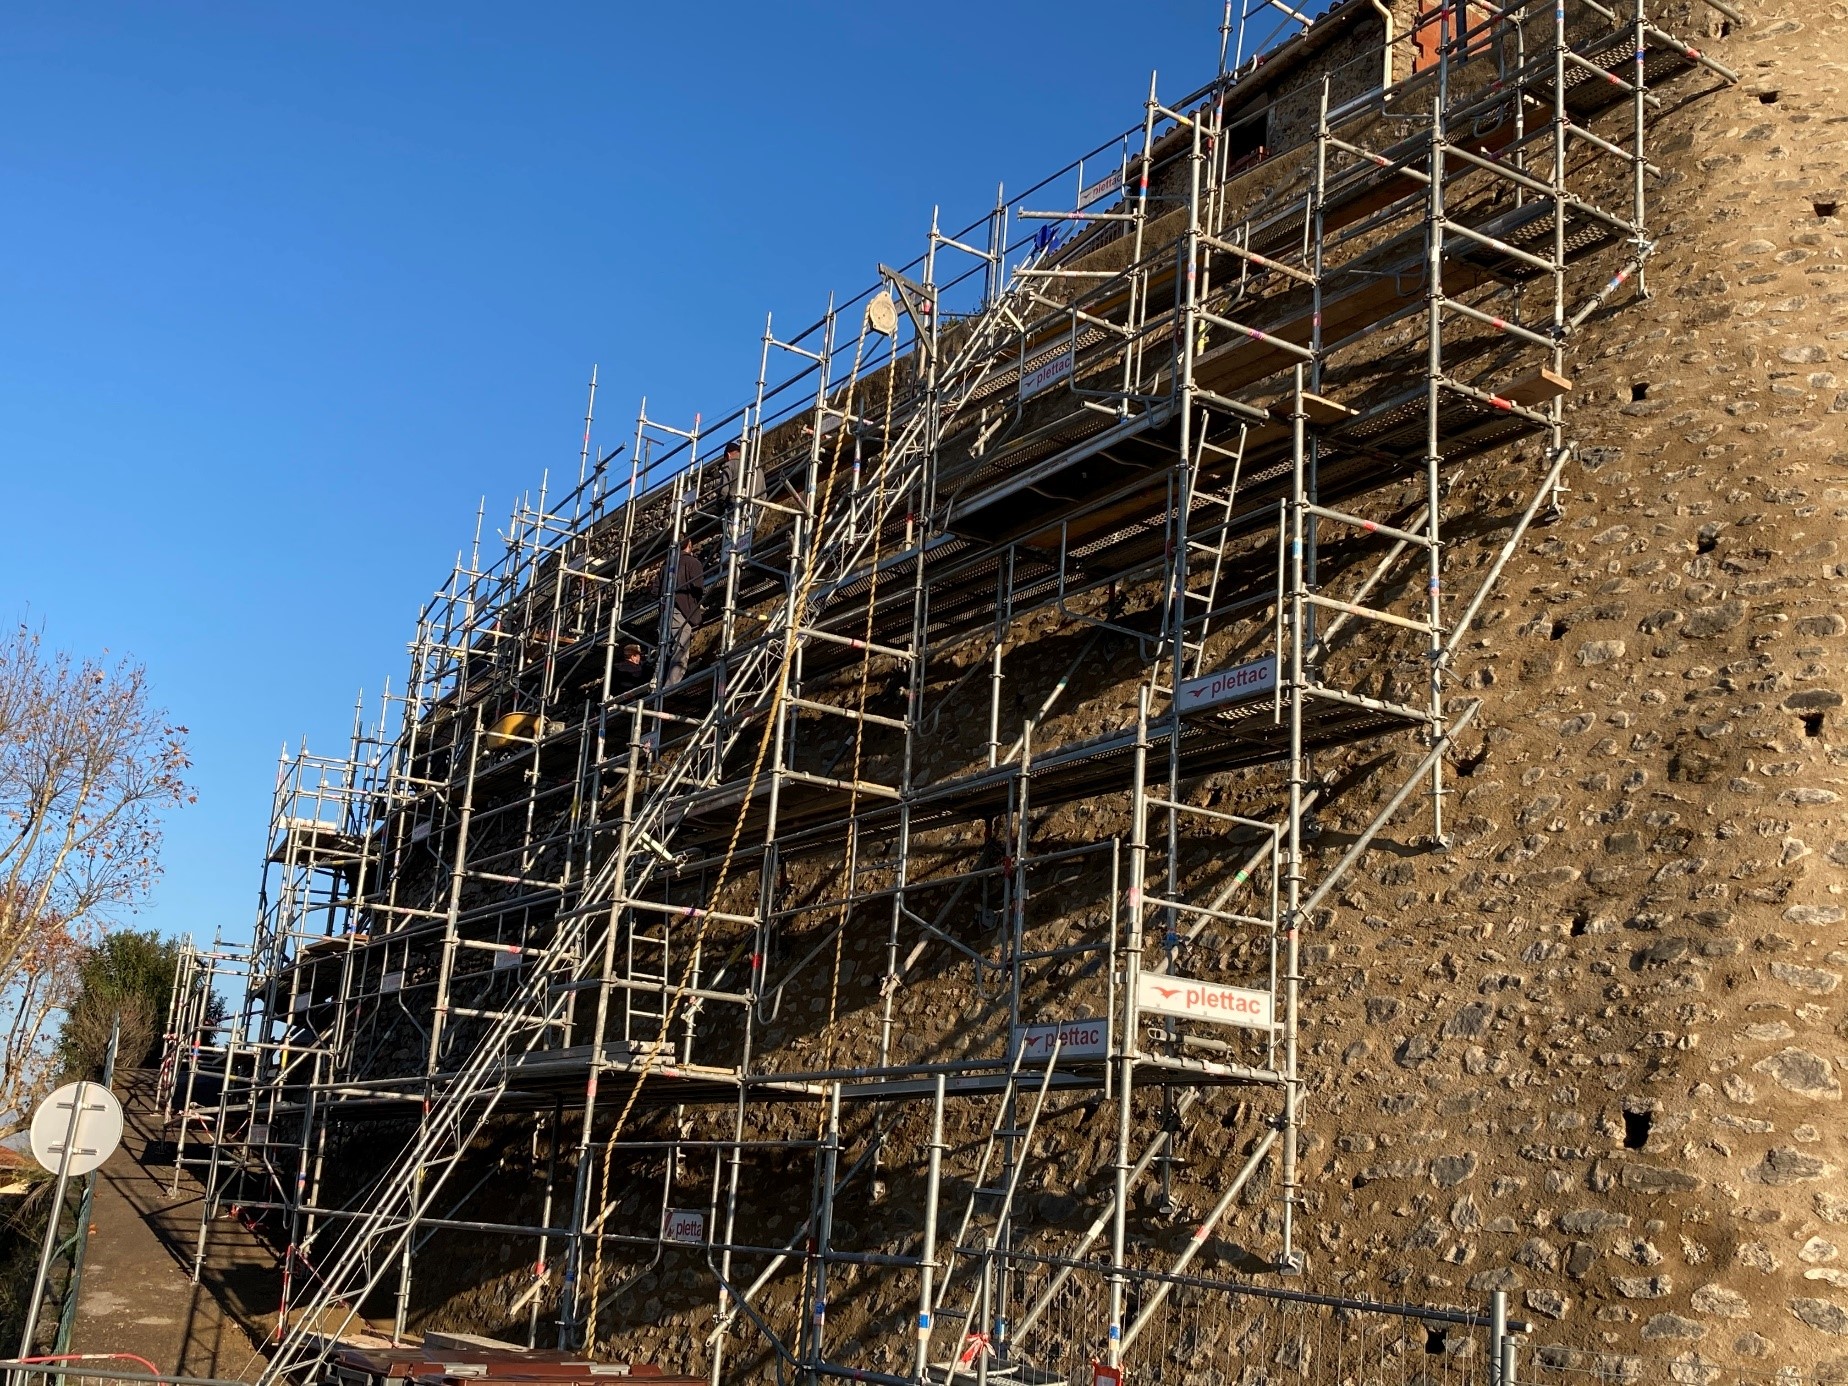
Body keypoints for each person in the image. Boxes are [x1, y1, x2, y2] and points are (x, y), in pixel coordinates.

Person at [659, 534, 704, 689]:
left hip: (665, 611)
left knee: (666, 649)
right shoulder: (692, 562)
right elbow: (698, 588)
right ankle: (670, 687)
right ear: (689, 545)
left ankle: (658, 684)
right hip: (682, 611)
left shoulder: (666, 566)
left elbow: (655, 591)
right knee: (681, 648)